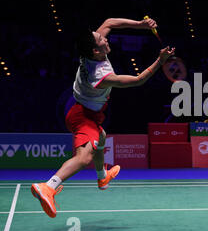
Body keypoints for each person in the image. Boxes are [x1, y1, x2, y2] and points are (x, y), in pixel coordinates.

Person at [31, 17, 176, 218]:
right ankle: (48, 187)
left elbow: (109, 22)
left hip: (85, 110)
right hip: (83, 116)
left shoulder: (91, 49)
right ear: (96, 51)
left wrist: (140, 25)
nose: (105, 38)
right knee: (83, 158)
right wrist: (160, 61)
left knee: (101, 136)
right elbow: (137, 80)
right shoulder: (100, 75)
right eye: (101, 40)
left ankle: (102, 177)